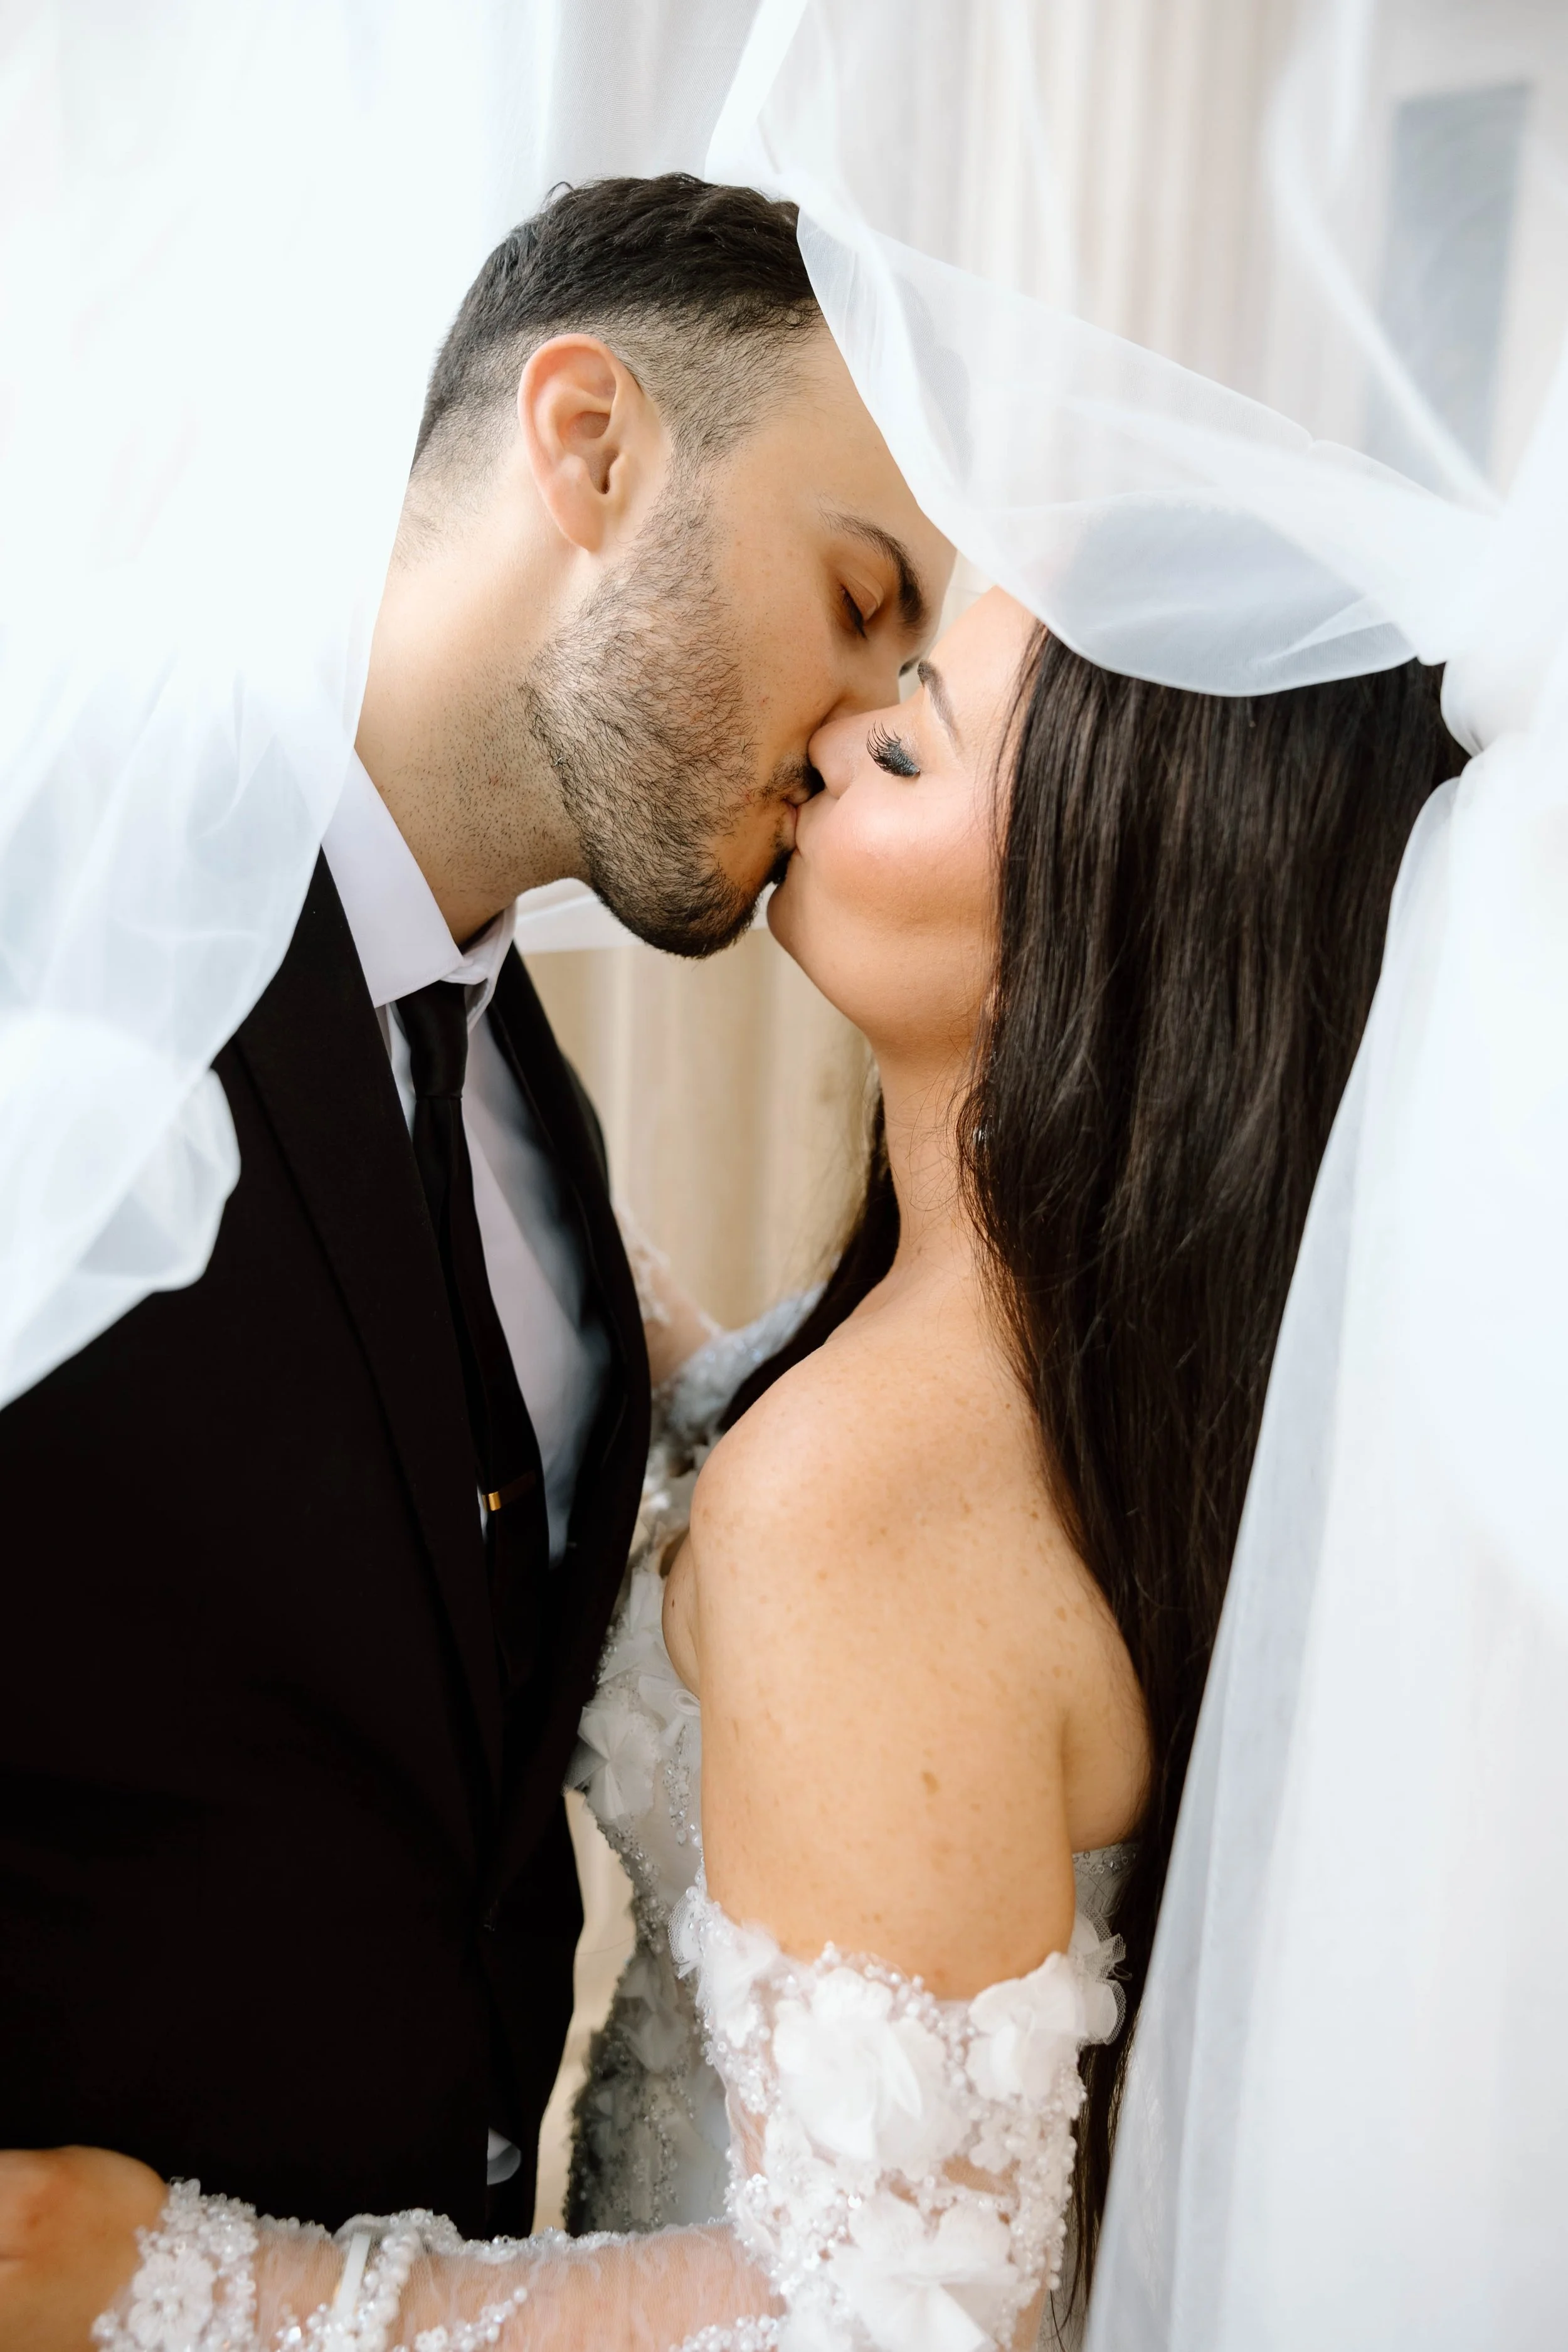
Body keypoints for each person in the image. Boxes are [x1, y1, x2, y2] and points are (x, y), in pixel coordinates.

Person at [0, 585, 1465, 2352]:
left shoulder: (866, 1491)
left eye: (907, 735)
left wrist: (178, 2279)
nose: (828, 736)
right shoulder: (1111, 1388)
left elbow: (882, 2321)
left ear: (1109, 926)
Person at [0, 171, 950, 2245]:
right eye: (858, 591)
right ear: (587, 443)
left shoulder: (532, 1113)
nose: (871, 723)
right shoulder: (52, 933)